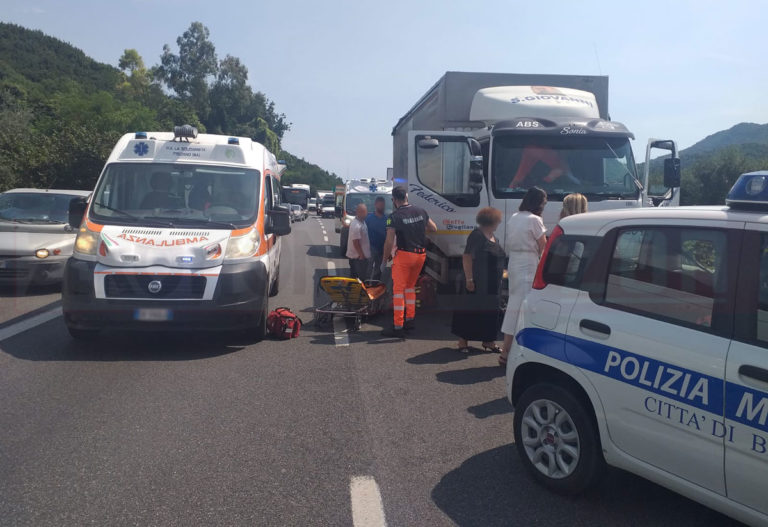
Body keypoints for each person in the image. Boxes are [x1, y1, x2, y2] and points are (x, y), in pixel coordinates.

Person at [500, 187, 548, 366]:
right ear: (538, 203)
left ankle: (506, 350)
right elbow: (543, 246)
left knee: (514, 302)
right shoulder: (535, 220)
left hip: (514, 261)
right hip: (529, 262)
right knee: (525, 307)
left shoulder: (515, 216)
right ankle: (513, 352)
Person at [381, 186, 437, 338]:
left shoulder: (393, 217)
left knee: (398, 292)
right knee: (410, 288)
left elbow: (388, 241)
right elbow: (434, 228)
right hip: (420, 255)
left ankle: (398, 327)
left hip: (404, 255)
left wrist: (385, 259)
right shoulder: (421, 211)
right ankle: (410, 320)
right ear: (406, 197)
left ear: (394, 200)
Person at [451, 207, 506, 353]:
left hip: (492, 283)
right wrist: (469, 279)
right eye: (497, 221)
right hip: (477, 280)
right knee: (470, 310)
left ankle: (488, 341)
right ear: (491, 221)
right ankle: (463, 341)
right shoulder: (477, 235)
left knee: (490, 312)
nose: (499, 223)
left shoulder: (495, 237)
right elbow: (467, 256)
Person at [346, 203, 371, 280]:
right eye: (363, 212)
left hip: (360, 258)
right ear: (358, 212)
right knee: (358, 280)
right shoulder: (356, 225)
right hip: (358, 258)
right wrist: (362, 255)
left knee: (359, 279)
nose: (366, 213)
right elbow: (355, 242)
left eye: (366, 211)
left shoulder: (362, 222)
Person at [365, 196, 388, 280]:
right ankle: (365, 284)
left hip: (382, 248)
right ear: (375, 205)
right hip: (371, 247)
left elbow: (390, 234)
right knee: (368, 267)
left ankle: (375, 286)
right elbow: (364, 233)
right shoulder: (368, 218)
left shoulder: (387, 219)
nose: (381, 207)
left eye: (383, 205)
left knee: (379, 269)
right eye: (380, 205)